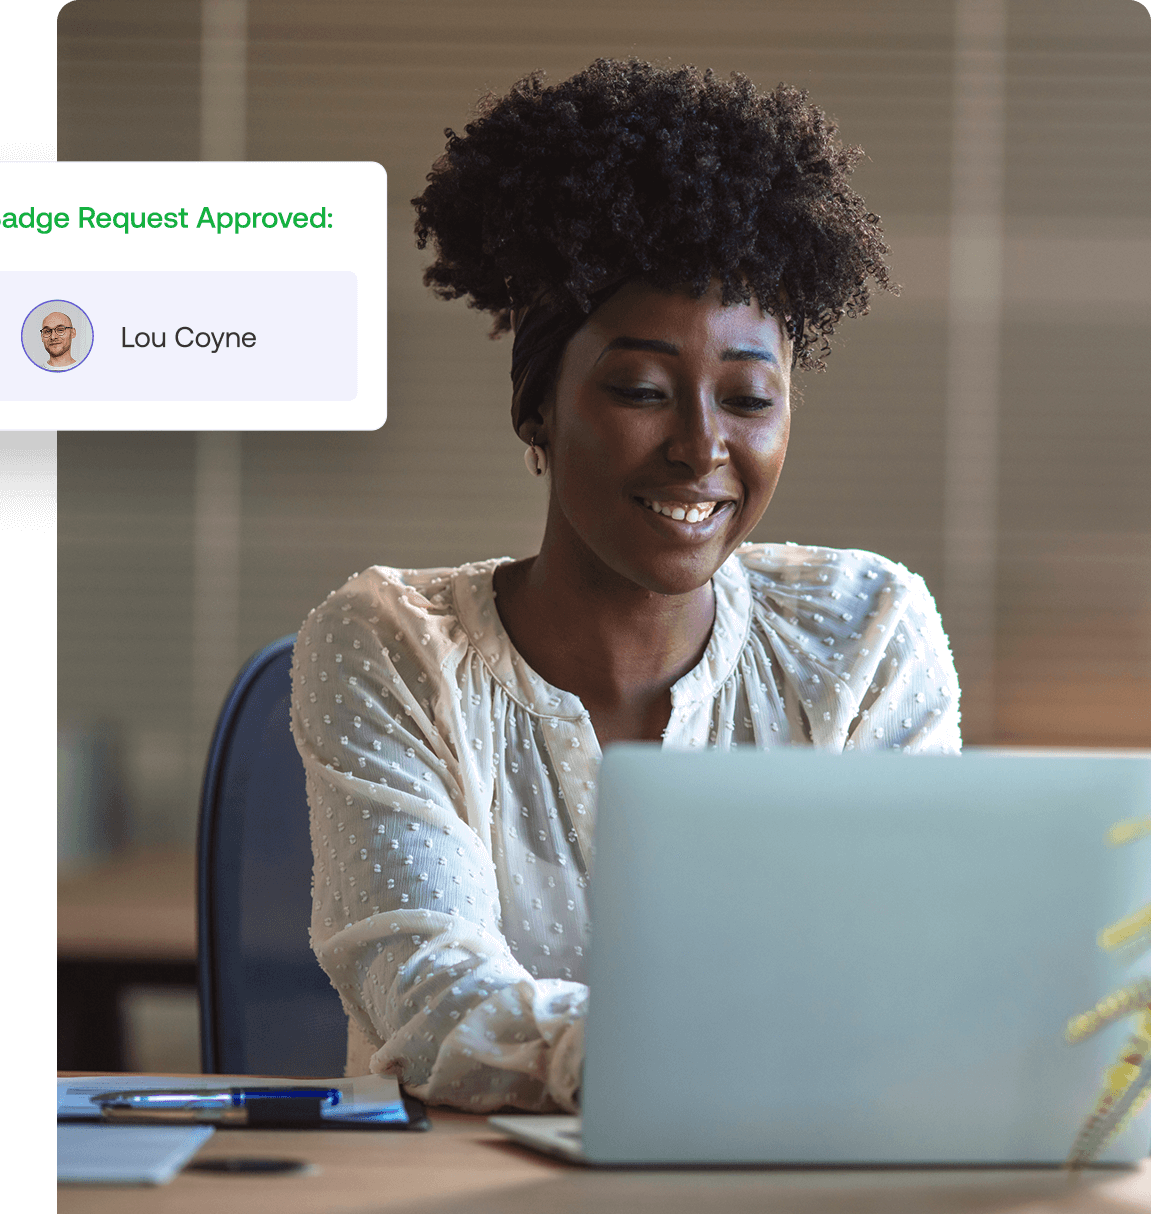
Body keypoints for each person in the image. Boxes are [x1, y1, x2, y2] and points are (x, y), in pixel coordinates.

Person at [291, 59, 961, 1114]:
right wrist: (699, 1062)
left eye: (748, 396)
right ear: (538, 409)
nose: (702, 447)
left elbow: (921, 972)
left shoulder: (865, 632)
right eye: (641, 389)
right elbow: (428, 994)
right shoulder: (390, 644)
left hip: (781, 1201)